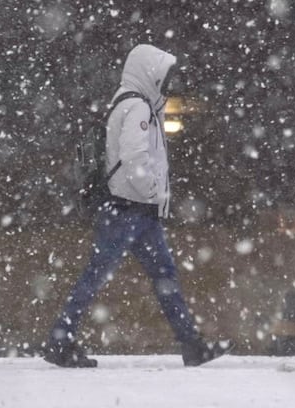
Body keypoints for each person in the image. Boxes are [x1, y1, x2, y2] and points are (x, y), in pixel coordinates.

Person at [42, 43, 232, 368]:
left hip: (135, 211)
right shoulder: (137, 108)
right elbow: (134, 160)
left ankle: (191, 344)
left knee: (161, 275)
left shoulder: (129, 104)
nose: (167, 83)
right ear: (149, 73)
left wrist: (151, 199)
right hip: (127, 209)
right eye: (163, 76)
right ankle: (60, 340)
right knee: (104, 274)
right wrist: (156, 191)